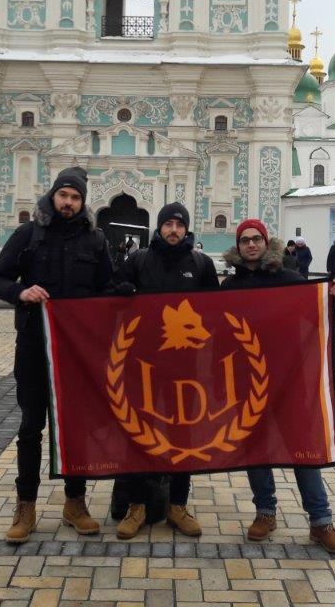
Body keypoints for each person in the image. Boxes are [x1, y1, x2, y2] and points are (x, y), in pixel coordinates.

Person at [0, 167, 113, 543]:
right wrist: (20, 293)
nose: (69, 203)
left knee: (76, 427)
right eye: (64, 196)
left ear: (83, 201)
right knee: (31, 427)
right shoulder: (29, 234)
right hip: (33, 346)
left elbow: (106, 286)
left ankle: (75, 502)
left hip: (76, 351)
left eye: (75, 197)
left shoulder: (95, 240)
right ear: (53, 196)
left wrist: (119, 293)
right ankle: (25, 506)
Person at [220, 219, 335, 554]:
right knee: (257, 450)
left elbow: (316, 317)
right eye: (245, 240)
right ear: (238, 246)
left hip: (290, 381)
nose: (251, 245)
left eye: (256, 239)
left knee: (302, 449)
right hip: (249, 382)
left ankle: (321, 521)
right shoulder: (229, 289)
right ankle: (265, 512)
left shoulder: (289, 280)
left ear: (266, 242)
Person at [112, 202, 219, 539]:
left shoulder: (201, 264)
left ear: (187, 229)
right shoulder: (139, 260)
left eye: (179, 224)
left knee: (183, 435)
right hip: (143, 365)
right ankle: (137, 506)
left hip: (185, 367)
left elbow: (216, 313)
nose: (174, 230)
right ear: (159, 227)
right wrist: (122, 291)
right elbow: (112, 298)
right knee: (138, 432)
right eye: (168, 224)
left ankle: (177, 505)